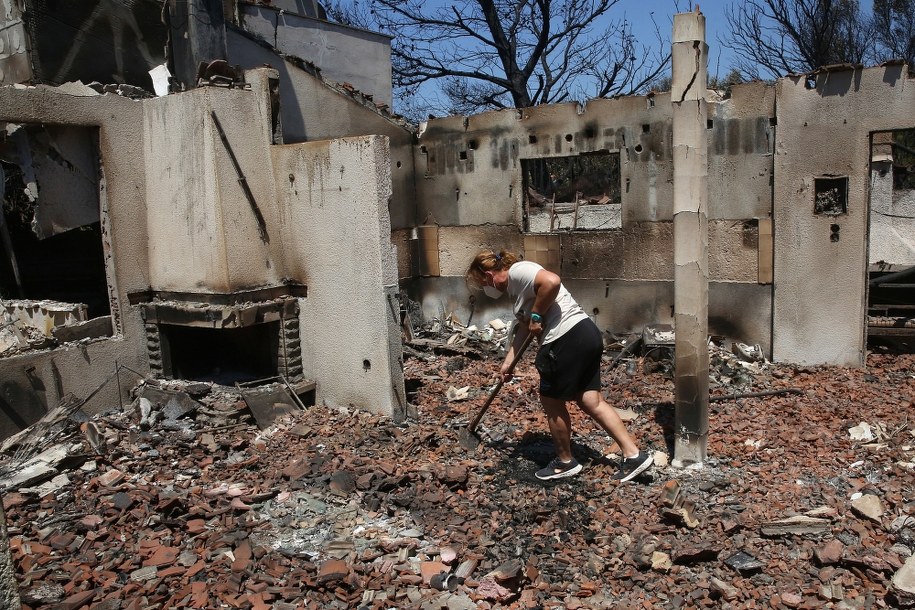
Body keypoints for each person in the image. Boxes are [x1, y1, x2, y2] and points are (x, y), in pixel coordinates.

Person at [465, 249, 653, 482]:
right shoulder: (517, 290)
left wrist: (536, 315)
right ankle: (633, 455)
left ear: (489, 274)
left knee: (551, 401)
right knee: (590, 400)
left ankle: (565, 462)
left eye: (482, 281)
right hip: (585, 335)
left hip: (564, 339)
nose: (485, 287)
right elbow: (524, 329)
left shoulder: (518, 271)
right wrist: (508, 363)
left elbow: (552, 282)